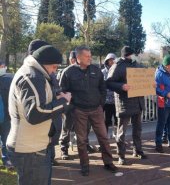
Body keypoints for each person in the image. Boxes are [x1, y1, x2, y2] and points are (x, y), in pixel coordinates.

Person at [6, 45, 71, 185]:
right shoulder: (33, 76)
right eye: (54, 67)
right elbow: (35, 113)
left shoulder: (36, 73)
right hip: (30, 149)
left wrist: (57, 97)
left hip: (33, 146)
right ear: (43, 64)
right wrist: (64, 102)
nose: (54, 71)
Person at [60, 46, 117, 176]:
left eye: (90, 55)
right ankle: (84, 166)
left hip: (96, 109)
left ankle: (108, 162)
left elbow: (103, 88)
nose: (90, 58)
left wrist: (100, 104)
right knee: (81, 140)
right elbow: (63, 92)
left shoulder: (96, 70)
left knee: (103, 137)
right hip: (79, 111)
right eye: (87, 56)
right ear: (78, 57)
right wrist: (72, 107)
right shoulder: (68, 72)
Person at [106, 46, 147, 165]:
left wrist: (150, 84)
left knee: (138, 129)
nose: (134, 56)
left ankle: (138, 150)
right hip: (125, 103)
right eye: (132, 54)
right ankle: (121, 156)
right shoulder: (117, 65)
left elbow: (145, 78)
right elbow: (109, 83)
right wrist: (121, 87)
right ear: (127, 55)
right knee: (121, 132)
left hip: (138, 102)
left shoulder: (137, 65)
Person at [0, 60, 14, 169]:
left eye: (3, 66)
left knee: (6, 138)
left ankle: (6, 159)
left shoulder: (9, 79)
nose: (3, 68)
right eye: (1, 66)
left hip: (5, 115)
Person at [101, 53, 117, 135]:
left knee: (118, 120)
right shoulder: (102, 72)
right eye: (110, 60)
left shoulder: (118, 71)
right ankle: (105, 138)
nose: (111, 61)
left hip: (117, 101)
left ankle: (119, 137)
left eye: (113, 60)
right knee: (106, 121)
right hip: (106, 101)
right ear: (107, 61)